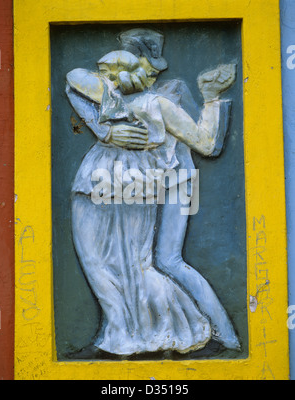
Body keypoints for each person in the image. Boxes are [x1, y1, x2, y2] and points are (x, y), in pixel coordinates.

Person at [65, 33, 240, 358]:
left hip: (172, 183)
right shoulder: (109, 96)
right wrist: (104, 130)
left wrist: (211, 97)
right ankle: (125, 334)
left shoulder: (164, 99)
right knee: (115, 264)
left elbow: (206, 144)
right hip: (122, 185)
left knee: (165, 261)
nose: (149, 74)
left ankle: (219, 335)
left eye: (149, 67)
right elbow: (75, 81)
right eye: (141, 65)